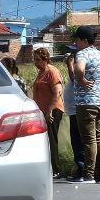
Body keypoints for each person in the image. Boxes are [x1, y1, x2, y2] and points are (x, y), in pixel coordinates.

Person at [72, 26, 100, 184]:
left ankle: (89, 174)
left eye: (77, 40)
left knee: (89, 140)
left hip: (86, 102)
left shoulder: (82, 53)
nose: (76, 43)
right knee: (98, 138)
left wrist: (80, 80)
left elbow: (79, 68)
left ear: (83, 40)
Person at [31, 47, 65, 178]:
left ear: (46, 59)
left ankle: (56, 169)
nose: (36, 62)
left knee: (52, 140)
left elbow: (57, 92)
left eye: (38, 60)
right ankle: (49, 167)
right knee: (45, 141)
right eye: (35, 60)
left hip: (52, 111)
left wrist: (49, 110)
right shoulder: (41, 72)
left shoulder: (52, 71)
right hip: (43, 111)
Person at [62, 45, 86, 181]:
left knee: (78, 141)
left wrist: (70, 65)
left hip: (78, 109)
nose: (70, 55)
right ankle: (79, 168)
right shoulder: (77, 64)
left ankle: (81, 170)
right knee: (76, 140)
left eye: (72, 53)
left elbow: (75, 80)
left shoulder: (80, 66)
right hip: (74, 109)